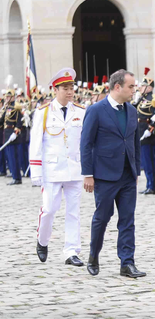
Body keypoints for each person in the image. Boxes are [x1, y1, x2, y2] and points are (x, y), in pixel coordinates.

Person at [81, 69, 145, 278]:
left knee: (127, 219)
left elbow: (135, 143)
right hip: (105, 175)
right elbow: (86, 143)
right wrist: (88, 174)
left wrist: (136, 169)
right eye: (131, 86)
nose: (134, 90)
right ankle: (93, 255)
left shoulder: (132, 111)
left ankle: (127, 262)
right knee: (102, 217)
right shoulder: (96, 110)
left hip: (127, 174)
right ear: (117, 87)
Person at [30, 68, 86, 266]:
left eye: (72, 88)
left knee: (73, 211)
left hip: (74, 168)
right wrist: (35, 171)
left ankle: (71, 251)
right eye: (65, 88)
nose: (70, 92)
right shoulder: (43, 113)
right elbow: (36, 143)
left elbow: (84, 143)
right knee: (49, 209)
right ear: (55, 89)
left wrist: (88, 170)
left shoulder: (80, 111)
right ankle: (42, 240)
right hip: (51, 170)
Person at [134, 67, 155, 195]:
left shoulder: (153, 99)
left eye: (143, 86)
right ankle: (150, 184)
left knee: (149, 160)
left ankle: (152, 186)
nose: (140, 88)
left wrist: (150, 130)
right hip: (140, 131)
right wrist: (137, 99)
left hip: (147, 133)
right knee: (145, 160)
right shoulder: (141, 99)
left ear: (149, 88)